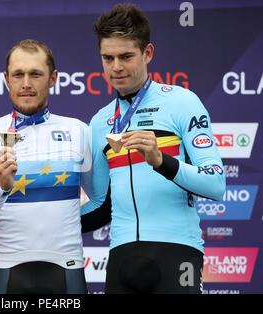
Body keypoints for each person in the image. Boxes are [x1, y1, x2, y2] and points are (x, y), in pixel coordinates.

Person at [81, 4, 226, 294]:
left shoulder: (182, 102)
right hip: (121, 255)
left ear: (147, 53)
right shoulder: (99, 122)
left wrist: (161, 160)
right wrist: (41, 223)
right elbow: (100, 206)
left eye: (126, 56)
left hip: (177, 253)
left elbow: (215, 183)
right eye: (107, 58)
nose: (116, 67)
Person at [0, 39, 92, 294]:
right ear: (6, 79)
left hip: (67, 270)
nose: (26, 84)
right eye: (18, 74)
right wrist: (0, 186)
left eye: (35, 74)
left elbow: (100, 200)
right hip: (9, 272)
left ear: (53, 78)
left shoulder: (79, 130)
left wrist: (67, 224)